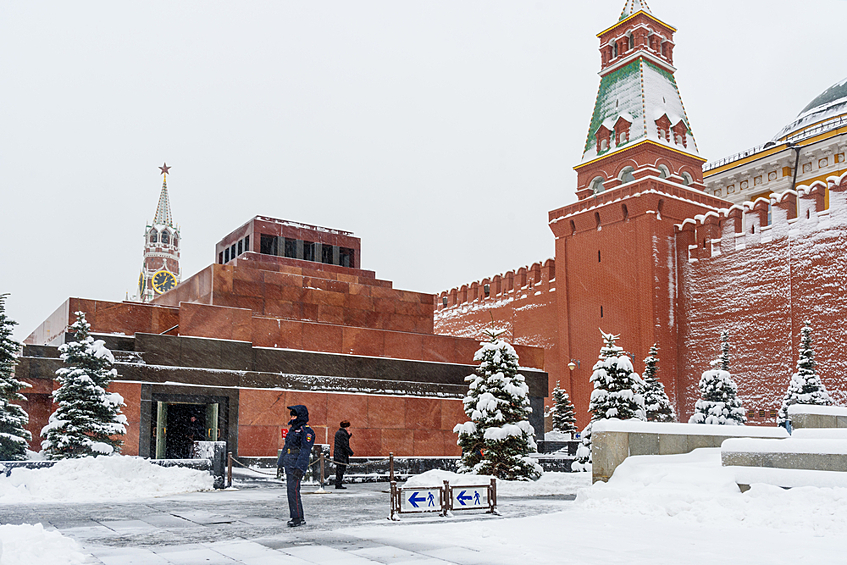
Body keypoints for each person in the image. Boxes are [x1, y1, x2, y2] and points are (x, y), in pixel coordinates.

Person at [277, 405, 315, 527]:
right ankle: (296, 516)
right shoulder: (293, 430)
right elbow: (286, 447)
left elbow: (305, 450)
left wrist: (300, 467)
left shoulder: (306, 431)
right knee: (290, 491)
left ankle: (298, 517)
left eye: (295, 416)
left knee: (293, 490)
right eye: (292, 416)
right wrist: (280, 463)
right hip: (289, 462)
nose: (293, 418)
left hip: (296, 463)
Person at [333, 420, 354, 489]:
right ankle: (338, 484)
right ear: (346, 427)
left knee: (339, 469)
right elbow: (344, 445)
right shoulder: (343, 433)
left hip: (338, 454)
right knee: (340, 470)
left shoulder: (339, 432)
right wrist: (350, 452)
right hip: (341, 455)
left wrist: (348, 435)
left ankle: (338, 483)